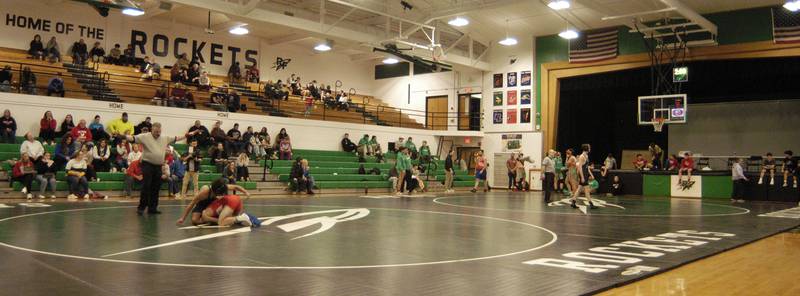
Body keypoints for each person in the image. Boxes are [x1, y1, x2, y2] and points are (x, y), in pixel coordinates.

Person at [118, 122, 199, 215]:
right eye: (156, 131)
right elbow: (133, 138)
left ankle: (152, 208)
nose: (158, 133)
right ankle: (141, 207)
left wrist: (186, 135)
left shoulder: (164, 138)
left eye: (159, 131)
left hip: (158, 166)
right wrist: (123, 136)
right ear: (152, 129)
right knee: (146, 186)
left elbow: (176, 138)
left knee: (156, 187)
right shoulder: (144, 136)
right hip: (147, 164)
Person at [176, 178, 252, 226]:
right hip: (202, 203)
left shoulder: (221, 187)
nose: (221, 195)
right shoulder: (204, 192)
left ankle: (219, 220)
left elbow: (235, 187)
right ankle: (220, 220)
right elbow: (192, 203)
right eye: (219, 194)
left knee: (207, 215)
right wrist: (183, 218)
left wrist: (246, 192)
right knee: (195, 220)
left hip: (213, 203)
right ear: (215, 191)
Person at [570, 144, 597, 209]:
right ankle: (591, 204)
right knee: (587, 190)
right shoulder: (582, 156)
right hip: (583, 174)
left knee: (579, 189)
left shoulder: (586, 156)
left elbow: (586, 167)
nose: (590, 148)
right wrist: (582, 177)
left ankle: (573, 202)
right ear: (586, 148)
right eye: (589, 147)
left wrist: (591, 174)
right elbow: (580, 167)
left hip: (585, 174)